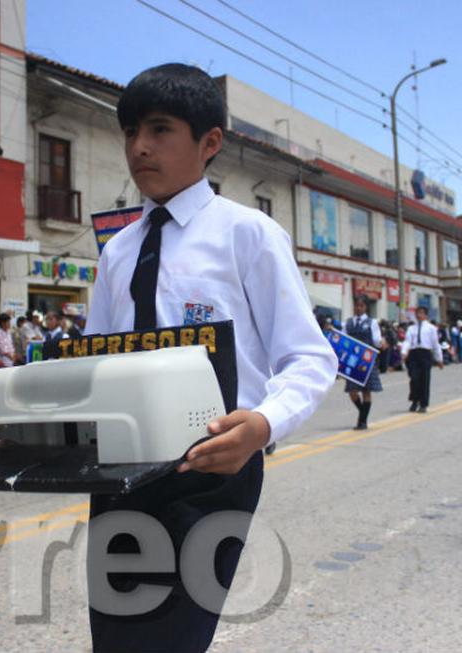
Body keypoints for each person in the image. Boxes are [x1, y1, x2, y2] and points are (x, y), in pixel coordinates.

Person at [83, 63, 337, 652]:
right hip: (120, 473)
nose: (139, 146)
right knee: (116, 636)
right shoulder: (118, 251)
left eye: (160, 129)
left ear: (210, 143)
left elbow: (308, 356)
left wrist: (263, 424)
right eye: (129, 132)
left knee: (174, 637)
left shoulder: (247, 234)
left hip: (212, 474)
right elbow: (90, 364)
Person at [343, 295, 383, 429]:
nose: (358, 308)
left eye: (361, 306)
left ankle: (362, 421)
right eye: (356, 306)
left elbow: (377, 340)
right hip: (352, 361)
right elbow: (343, 339)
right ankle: (363, 412)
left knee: (366, 391)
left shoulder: (372, 322)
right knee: (352, 391)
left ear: (366, 307)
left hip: (367, 361)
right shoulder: (348, 323)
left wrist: (381, 343)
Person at [401, 306, 444, 413]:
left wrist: (439, 358)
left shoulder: (431, 328)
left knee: (424, 379)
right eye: (417, 313)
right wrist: (404, 352)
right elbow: (407, 341)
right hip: (414, 354)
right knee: (414, 379)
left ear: (425, 315)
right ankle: (415, 400)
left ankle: (423, 404)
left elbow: (435, 344)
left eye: (421, 313)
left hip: (425, 353)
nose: (418, 315)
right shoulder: (411, 328)